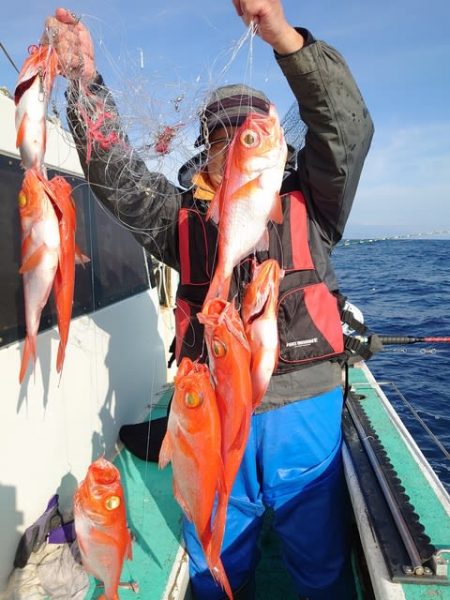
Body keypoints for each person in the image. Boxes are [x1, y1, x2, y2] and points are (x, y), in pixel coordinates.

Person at [45, 2, 373, 598]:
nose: (232, 152)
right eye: (220, 140)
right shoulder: (184, 222)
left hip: (304, 403)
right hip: (209, 410)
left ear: (276, 150)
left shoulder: (314, 203)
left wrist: (282, 36)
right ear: (205, 159)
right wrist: (84, 83)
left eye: (243, 135)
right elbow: (115, 174)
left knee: (319, 559)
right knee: (215, 552)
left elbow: (346, 127)